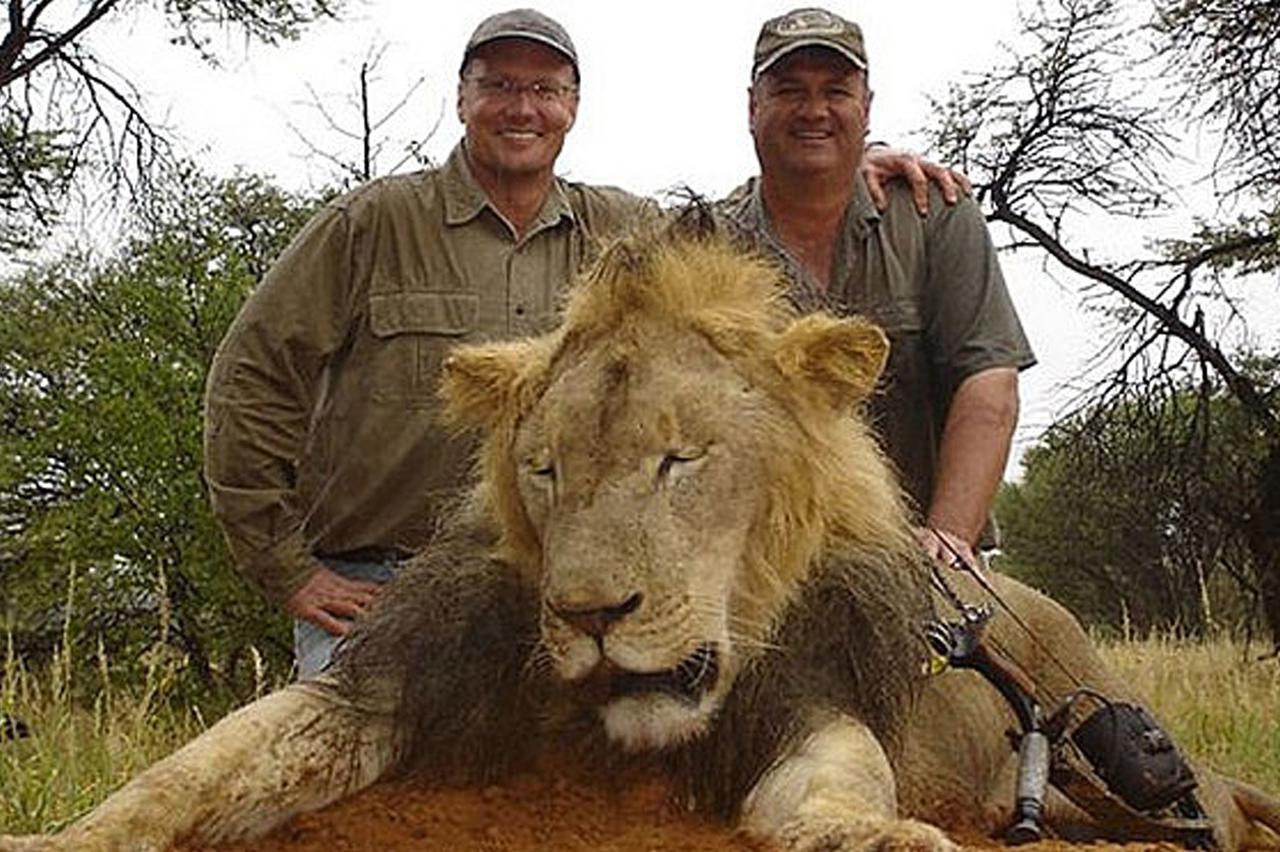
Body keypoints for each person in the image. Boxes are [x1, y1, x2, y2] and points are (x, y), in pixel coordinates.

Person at [204, 8, 966, 678]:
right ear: (462, 97)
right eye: (500, 85)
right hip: (374, 581)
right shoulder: (370, 224)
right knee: (345, 774)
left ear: (572, 107)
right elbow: (251, 381)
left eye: (545, 90)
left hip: (536, 577)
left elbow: (733, 257)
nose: (522, 108)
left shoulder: (624, 233)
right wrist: (289, 571)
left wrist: (841, 165)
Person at [721, 7, 1036, 571]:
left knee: (1043, 651)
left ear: (866, 109)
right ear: (752, 108)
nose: (814, 110)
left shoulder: (938, 215)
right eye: (789, 90)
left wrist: (948, 539)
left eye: (836, 91)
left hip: (922, 554)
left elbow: (990, 385)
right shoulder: (706, 241)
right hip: (763, 567)